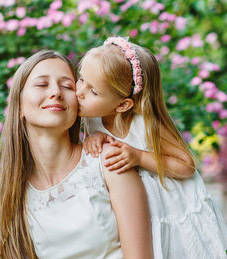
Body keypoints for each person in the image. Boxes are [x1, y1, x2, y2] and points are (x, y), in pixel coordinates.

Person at [0, 50, 152, 259]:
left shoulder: (109, 161)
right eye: (41, 84)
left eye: (67, 86)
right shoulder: (15, 192)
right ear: (19, 105)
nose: (56, 92)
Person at [76, 36, 227, 258]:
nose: (79, 92)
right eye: (81, 79)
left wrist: (138, 157)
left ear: (123, 105)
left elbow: (186, 166)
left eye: (93, 91)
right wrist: (95, 137)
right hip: (136, 211)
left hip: (169, 207)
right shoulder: (93, 118)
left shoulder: (146, 124)